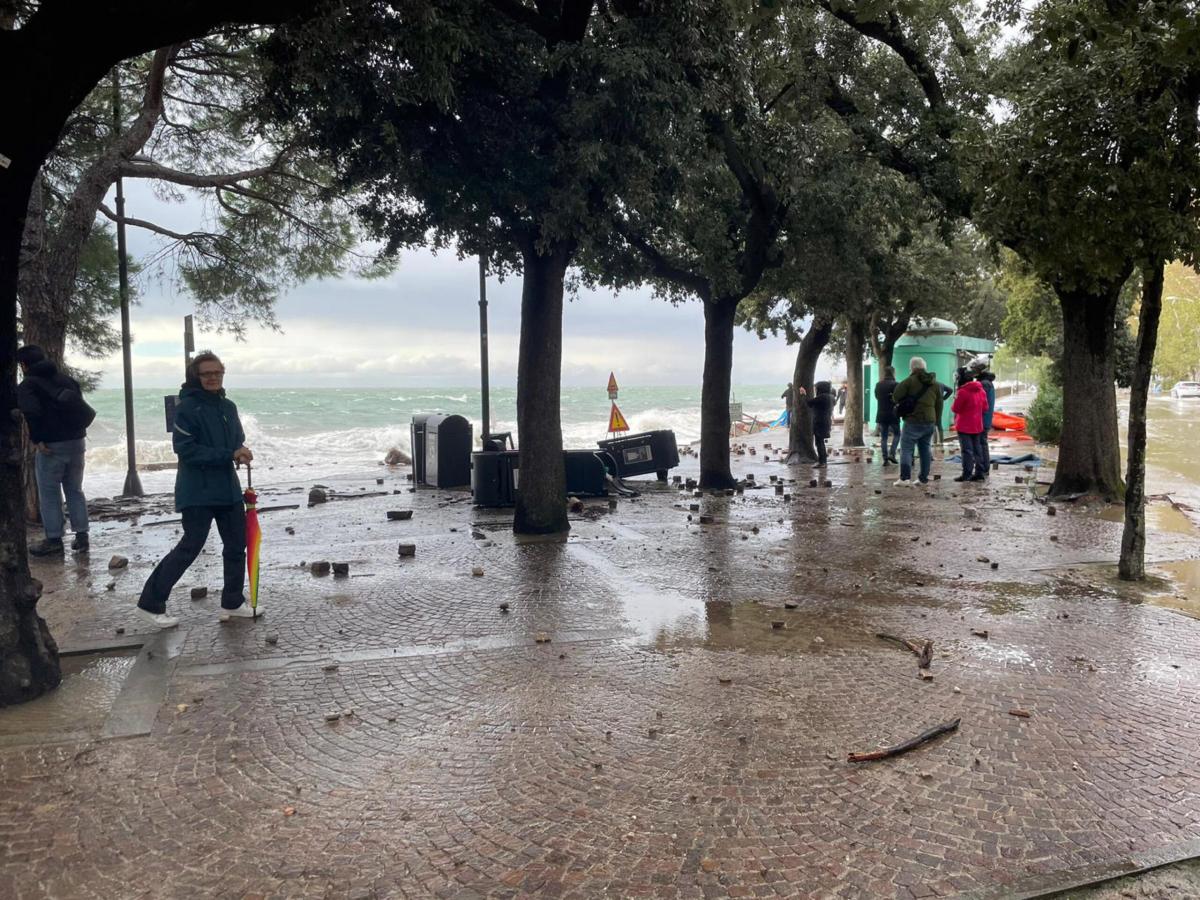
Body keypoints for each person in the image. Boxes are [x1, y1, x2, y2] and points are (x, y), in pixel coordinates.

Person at [137, 351, 260, 628]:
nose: (213, 377)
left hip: (228, 488)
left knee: (236, 545)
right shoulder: (187, 407)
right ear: (196, 376)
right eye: (206, 374)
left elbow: (236, 441)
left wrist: (241, 452)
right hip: (197, 491)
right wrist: (228, 454)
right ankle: (150, 603)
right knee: (190, 546)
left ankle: (233, 601)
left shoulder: (228, 406)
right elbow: (185, 450)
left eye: (217, 372)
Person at [16, 345, 93, 557]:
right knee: (75, 490)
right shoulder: (67, 380)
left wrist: (38, 439)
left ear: (24, 365)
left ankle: (53, 539)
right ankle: (82, 536)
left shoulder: (28, 385)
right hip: (77, 442)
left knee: (49, 493)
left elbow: (31, 412)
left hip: (51, 445)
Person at [891, 357, 943, 486]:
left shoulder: (909, 381)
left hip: (913, 420)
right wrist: (937, 421)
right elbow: (939, 404)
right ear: (924, 368)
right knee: (925, 449)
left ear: (912, 368)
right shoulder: (935, 384)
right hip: (930, 421)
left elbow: (895, 396)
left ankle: (904, 478)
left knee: (907, 449)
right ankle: (923, 479)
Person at [951, 376, 989, 482]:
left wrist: (955, 400)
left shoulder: (962, 392)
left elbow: (955, 408)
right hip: (977, 425)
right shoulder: (981, 390)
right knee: (978, 449)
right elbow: (986, 408)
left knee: (967, 451)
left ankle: (966, 474)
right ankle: (979, 473)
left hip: (964, 426)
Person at [972, 361, 996, 476]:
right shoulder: (988, 382)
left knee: (980, 444)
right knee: (983, 443)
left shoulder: (984, 384)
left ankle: (982, 468)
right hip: (985, 419)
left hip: (981, 419)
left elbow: (978, 401)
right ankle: (984, 468)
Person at [873, 365, 900, 465]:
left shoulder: (878, 384)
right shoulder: (896, 384)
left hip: (881, 413)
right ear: (893, 373)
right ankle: (892, 454)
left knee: (883, 437)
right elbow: (899, 398)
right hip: (893, 413)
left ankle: (885, 459)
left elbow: (876, 396)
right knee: (897, 434)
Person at [803, 381, 834, 466]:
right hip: (826, 421)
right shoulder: (830, 397)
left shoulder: (822, 397)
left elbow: (809, 403)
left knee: (819, 443)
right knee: (821, 442)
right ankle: (823, 461)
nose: (815, 390)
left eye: (816, 388)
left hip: (820, 422)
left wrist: (804, 394)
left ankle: (822, 462)